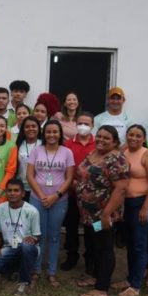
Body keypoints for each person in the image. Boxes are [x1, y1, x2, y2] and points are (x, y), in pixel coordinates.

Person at [75, 126, 129, 296]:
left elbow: (121, 189)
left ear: (114, 141)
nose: (101, 140)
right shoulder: (93, 153)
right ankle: (96, 276)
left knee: (104, 246)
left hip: (103, 213)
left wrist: (107, 214)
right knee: (94, 244)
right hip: (88, 213)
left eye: (107, 138)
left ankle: (101, 288)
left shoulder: (117, 160)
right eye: (99, 136)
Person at [26, 120, 75, 286]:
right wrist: (42, 196)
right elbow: (30, 176)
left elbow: (69, 177)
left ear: (60, 134)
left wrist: (56, 195)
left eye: (55, 132)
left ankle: (52, 272)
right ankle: (36, 270)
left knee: (54, 236)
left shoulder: (67, 152)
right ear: (43, 133)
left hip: (59, 200)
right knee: (38, 235)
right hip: (37, 198)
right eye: (48, 132)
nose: (52, 135)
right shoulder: (36, 150)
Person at [115, 125, 148, 296]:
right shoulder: (124, 151)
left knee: (140, 244)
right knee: (130, 243)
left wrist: (146, 207)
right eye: (131, 134)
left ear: (143, 138)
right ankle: (130, 278)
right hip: (126, 203)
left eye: (138, 135)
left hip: (141, 203)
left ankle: (135, 285)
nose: (133, 138)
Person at [0, 179, 41, 296]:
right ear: (5, 192)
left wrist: (33, 239)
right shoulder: (0, 208)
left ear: (23, 193)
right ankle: (15, 271)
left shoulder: (32, 211)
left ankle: (24, 282)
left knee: (25, 247)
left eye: (16, 190)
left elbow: (38, 235)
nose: (12, 193)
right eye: (9, 190)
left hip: (27, 246)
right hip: (9, 247)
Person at [63, 112, 95, 272]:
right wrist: (72, 183)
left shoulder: (98, 144)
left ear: (92, 126)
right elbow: (63, 167)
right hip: (72, 191)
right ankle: (72, 255)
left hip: (92, 196)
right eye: (80, 123)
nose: (83, 126)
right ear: (76, 124)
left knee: (91, 227)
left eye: (87, 124)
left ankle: (90, 258)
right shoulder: (68, 144)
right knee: (71, 226)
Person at [15, 117, 41, 201]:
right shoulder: (18, 144)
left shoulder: (44, 144)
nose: (31, 129)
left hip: (39, 188)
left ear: (38, 128)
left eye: (34, 126)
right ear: (23, 129)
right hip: (21, 188)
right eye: (27, 126)